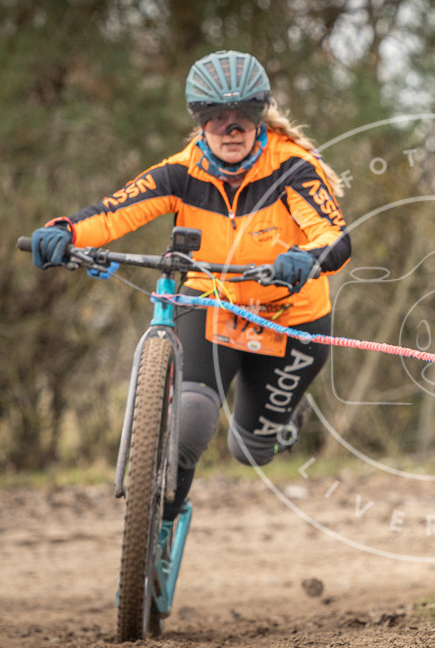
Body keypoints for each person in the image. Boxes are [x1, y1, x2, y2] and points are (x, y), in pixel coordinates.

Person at [30, 49, 350, 532]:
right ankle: (157, 526)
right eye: (216, 116)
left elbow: (334, 235)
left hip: (290, 318)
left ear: (261, 116)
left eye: (245, 113)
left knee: (250, 450)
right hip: (212, 303)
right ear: (199, 122)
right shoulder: (182, 172)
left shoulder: (293, 168)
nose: (232, 126)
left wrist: (305, 258)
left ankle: (287, 415)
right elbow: (115, 211)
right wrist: (65, 232)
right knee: (193, 419)